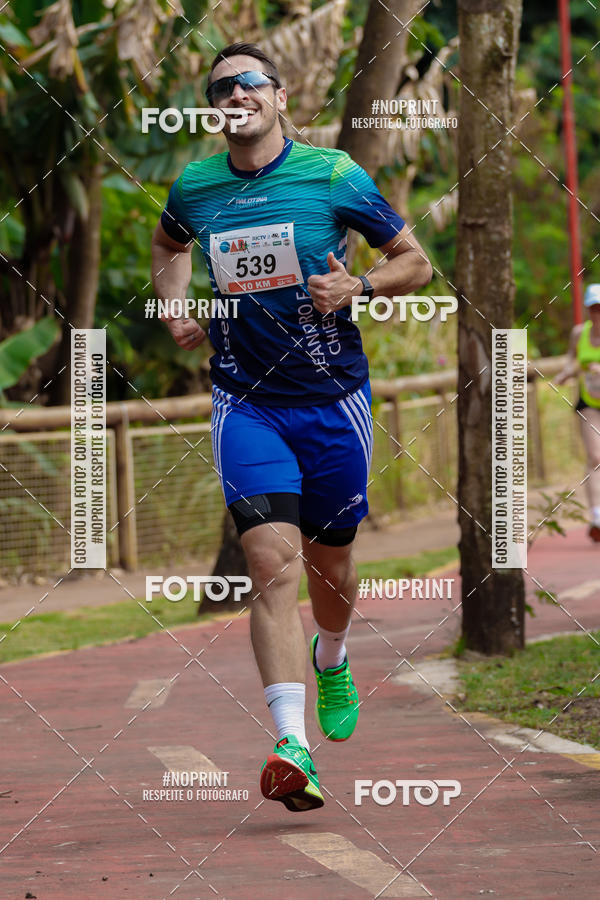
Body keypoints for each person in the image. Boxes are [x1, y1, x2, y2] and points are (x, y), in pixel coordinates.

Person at [151, 42, 432, 812]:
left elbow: (416, 262)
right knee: (270, 564)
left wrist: (360, 283)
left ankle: (333, 655)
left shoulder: (332, 175)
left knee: (330, 569)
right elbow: (169, 244)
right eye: (219, 89)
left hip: (332, 399)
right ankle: (291, 743)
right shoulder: (197, 186)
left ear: (279, 95)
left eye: (248, 82)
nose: (234, 94)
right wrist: (175, 303)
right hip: (245, 401)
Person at [555, 284, 600, 543]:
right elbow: (571, 359)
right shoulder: (579, 334)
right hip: (589, 402)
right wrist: (567, 371)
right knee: (595, 456)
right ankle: (596, 516)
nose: (597, 314)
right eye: (593, 308)